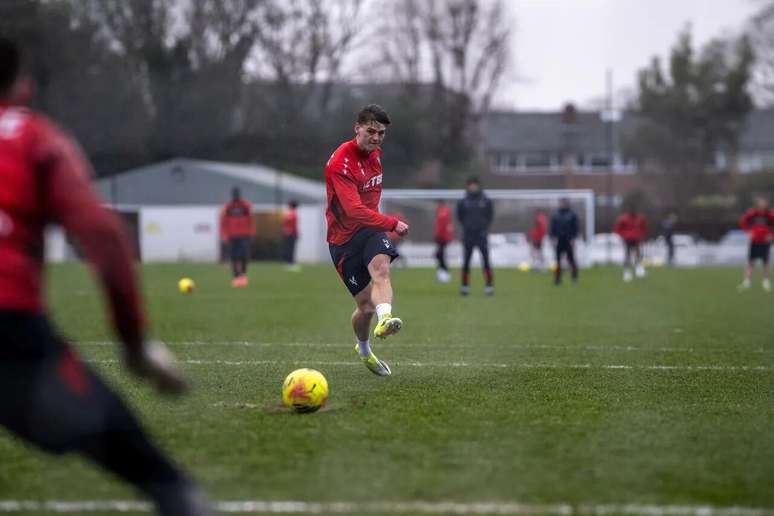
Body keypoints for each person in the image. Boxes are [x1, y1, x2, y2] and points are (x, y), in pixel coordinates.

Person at [0, 37, 212, 516]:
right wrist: (135, 345)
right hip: (8, 331)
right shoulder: (33, 138)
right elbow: (103, 235)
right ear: (22, 85)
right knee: (146, 466)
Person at [325, 104, 409, 377]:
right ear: (357, 128)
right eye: (371, 131)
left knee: (382, 269)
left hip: (369, 230)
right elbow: (354, 211)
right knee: (365, 306)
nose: (375, 138)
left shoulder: (376, 156)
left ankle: (386, 320)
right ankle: (364, 350)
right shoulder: (341, 162)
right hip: (343, 240)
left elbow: (368, 210)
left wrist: (381, 226)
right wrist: (392, 223)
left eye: (381, 133)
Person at [457, 176, 494, 296]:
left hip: (481, 235)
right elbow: (460, 217)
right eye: (470, 185)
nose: (472, 187)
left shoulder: (486, 200)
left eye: (474, 184)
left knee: (486, 261)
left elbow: (490, 216)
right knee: (466, 261)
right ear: (468, 186)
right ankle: (465, 286)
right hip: (468, 235)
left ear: (478, 186)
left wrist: (483, 227)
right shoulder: (463, 201)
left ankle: (489, 286)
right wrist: (468, 227)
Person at [220, 187, 255, 287]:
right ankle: (235, 277)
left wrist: (251, 233)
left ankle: (243, 275)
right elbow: (224, 221)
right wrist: (225, 234)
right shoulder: (228, 206)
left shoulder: (246, 205)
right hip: (232, 235)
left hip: (244, 235)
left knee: (244, 256)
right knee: (234, 257)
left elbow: (251, 219)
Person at [738, 196, 774, 292]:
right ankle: (747, 282)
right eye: (760, 203)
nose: (762, 205)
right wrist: (748, 232)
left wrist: (771, 235)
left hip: (765, 242)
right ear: (757, 204)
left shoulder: (769, 214)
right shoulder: (753, 213)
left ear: (766, 204)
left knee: (765, 263)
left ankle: (766, 282)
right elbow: (743, 222)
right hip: (754, 241)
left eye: (763, 203)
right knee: (751, 262)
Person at [549, 198, 579, 285]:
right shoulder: (556, 215)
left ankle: (574, 278)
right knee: (558, 261)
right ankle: (557, 279)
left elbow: (575, 228)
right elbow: (552, 228)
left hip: (569, 240)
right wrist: (553, 238)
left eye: (564, 203)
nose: (562, 205)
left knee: (571, 260)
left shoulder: (572, 215)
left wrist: (573, 238)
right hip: (559, 241)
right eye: (561, 203)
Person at [614, 207, 648, 282]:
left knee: (638, 254)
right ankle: (627, 272)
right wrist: (624, 235)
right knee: (627, 255)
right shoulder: (623, 218)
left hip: (636, 239)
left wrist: (641, 235)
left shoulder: (640, 218)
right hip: (627, 239)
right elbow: (617, 229)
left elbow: (644, 227)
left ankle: (639, 269)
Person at [433, 199, 454, 283]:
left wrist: (437, 235)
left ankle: (444, 274)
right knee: (439, 255)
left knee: (439, 255)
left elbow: (442, 225)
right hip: (443, 236)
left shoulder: (443, 211)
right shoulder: (441, 211)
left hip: (443, 237)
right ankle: (442, 274)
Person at [281, 199, 300, 271]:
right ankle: (290, 263)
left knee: (288, 248)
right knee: (291, 248)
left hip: (287, 233)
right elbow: (294, 225)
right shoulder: (293, 213)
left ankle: (288, 262)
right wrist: (296, 233)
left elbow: (284, 223)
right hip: (291, 233)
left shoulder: (287, 213)